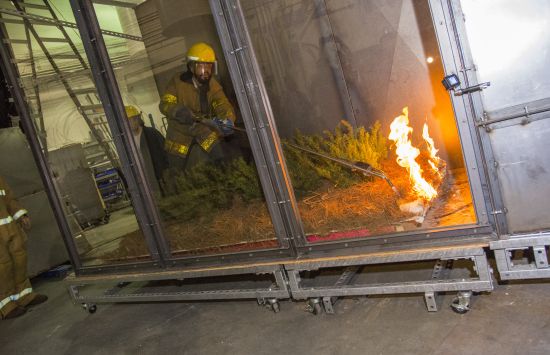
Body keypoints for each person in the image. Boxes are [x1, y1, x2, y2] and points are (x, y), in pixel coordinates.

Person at [159, 42, 236, 171]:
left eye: (209, 67)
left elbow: (222, 104)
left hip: (203, 130)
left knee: (224, 162)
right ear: (191, 67)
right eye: (201, 67)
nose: (206, 72)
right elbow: (165, 104)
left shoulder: (213, 86)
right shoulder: (177, 82)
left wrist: (227, 120)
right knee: (175, 174)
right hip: (179, 135)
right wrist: (178, 111)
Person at [0, 175, 47, 320]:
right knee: (3, 266)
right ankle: (6, 306)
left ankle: (25, 295)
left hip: (9, 227)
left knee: (20, 258)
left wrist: (21, 215)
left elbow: (9, 198)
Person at [125, 105, 169, 196]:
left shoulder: (151, 133)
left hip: (158, 178)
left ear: (139, 118)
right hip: (141, 180)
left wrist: (165, 172)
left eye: (135, 118)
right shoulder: (126, 141)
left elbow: (166, 151)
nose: (133, 122)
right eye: (129, 120)